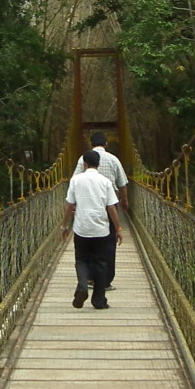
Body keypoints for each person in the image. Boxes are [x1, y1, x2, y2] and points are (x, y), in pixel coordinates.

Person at [64, 150, 121, 310]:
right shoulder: (106, 182)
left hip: (81, 228)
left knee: (81, 260)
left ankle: (83, 285)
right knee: (101, 263)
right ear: (99, 165)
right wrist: (118, 227)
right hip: (101, 229)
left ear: (84, 164)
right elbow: (111, 207)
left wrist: (64, 225)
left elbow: (69, 205)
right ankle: (99, 300)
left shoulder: (75, 180)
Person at [71, 131, 128, 291]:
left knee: (87, 242)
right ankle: (105, 281)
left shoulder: (83, 159)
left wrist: (74, 204)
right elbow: (122, 184)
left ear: (90, 144)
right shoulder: (114, 159)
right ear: (106, 144)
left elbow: (74, 181)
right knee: (108, 244)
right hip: (109, 206)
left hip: (87, 206)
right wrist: (125, 202)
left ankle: (89, 278)